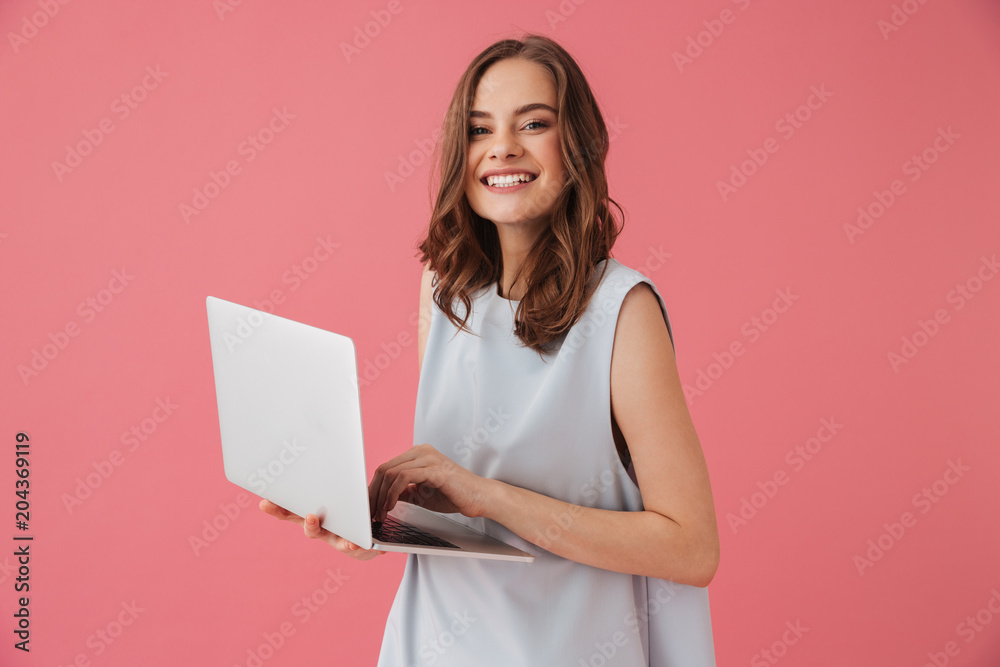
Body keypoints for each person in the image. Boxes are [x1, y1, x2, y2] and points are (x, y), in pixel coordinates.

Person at [261, 33, 719, 665]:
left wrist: (487, 494)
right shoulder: (443, 293)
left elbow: (691, 549)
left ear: (576, 148)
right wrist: (371, 527)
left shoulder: (622, 311)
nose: (502, 146)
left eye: (533, 123)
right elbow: (471, 528)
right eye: (479, 130)